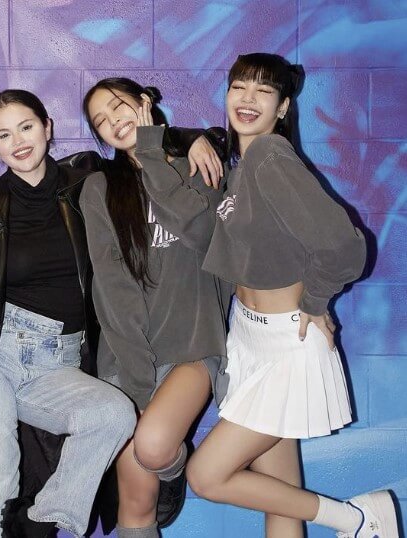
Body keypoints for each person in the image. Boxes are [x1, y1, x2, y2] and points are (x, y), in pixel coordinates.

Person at [185, 53, 398, 538]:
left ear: (282, 107)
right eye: (239, 87)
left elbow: (345, 247)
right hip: (251, 339)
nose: (248, 99)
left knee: (207, 475)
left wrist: (316, 300)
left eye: (263, 91)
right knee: (280, 495)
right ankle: (359, 521)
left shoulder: (269, 155)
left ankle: (359, 519)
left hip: (285, 345)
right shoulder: (243, 164)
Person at [0, 89, 139, 538]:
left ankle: (39, 519)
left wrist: (195, 140)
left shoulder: (86, 183)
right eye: (3, 135)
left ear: (47, 127)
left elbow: (139, 151)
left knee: (114, 415)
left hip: (59, 361)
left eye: (26, 127)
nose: (18, 141)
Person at [81, 77, 231, 538]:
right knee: (136, 503)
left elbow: (204, 235)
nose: (113, 122)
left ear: (145, 103)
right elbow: (112, 289)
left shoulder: (198, 164)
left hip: (192, 346)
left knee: (152, 445)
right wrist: (137, 379)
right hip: (129, 355)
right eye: (100, 121)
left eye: (119, 106)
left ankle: (169, 463)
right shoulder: (99, 188)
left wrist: (153, 152)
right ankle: (167, 466)